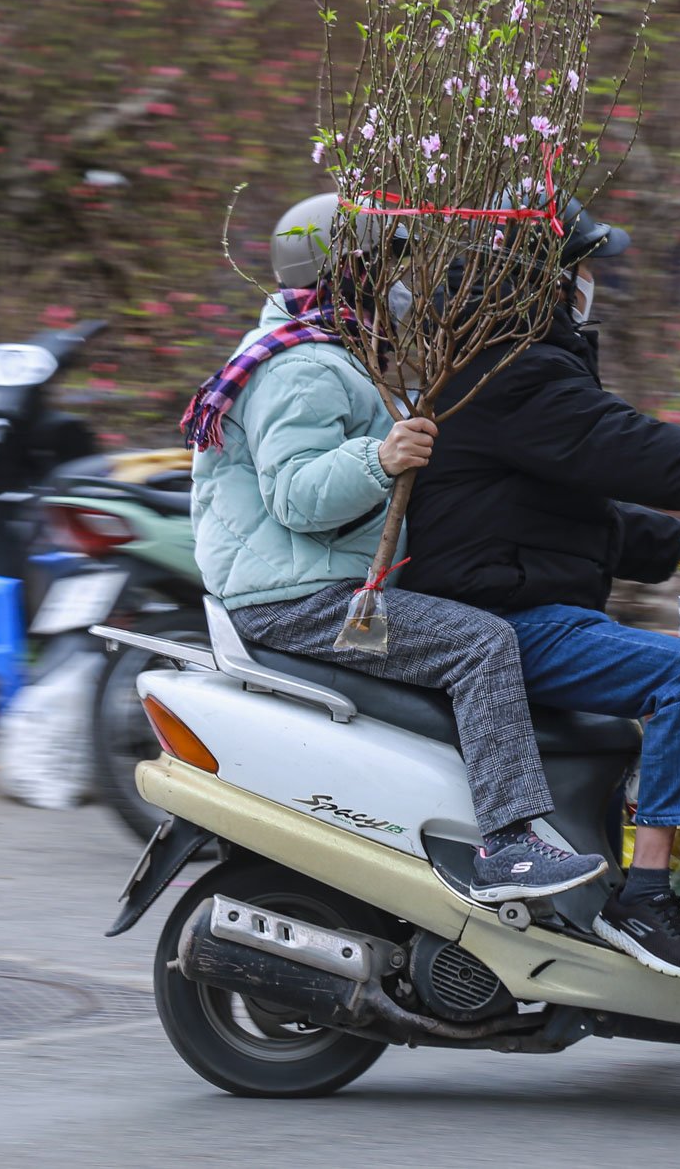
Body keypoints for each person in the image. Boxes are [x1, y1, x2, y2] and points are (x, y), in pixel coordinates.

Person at [401, 200, 680, 979]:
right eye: (580, 268)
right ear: (538, 279)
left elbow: (564, 509)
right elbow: (634, 450)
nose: (588, 283)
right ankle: (644, 899)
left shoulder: (501, 362)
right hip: (503, 616)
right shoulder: (518, 368)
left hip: (510, 594)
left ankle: (610, 887)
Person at [184, 192, 606, 903]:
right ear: (346, 270)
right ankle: (508, 845)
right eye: (388, 264)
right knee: (482, 644)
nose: (402, 282)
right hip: (298, 599)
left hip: (312, 585)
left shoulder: (336, 350)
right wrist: (380, 458)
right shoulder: (303, 366)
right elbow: (296, 496)